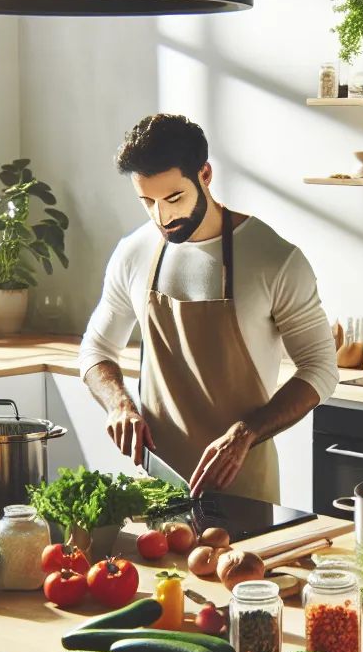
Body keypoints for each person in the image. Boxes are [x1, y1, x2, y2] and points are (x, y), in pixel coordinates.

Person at [79, 114, 337, 501]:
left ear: (205, 174)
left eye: (173, 198)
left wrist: (246, 433)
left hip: (243, 485)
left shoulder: (274, 259)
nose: (161, 217)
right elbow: (96, 348)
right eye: (146, 201)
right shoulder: (134, 252)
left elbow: (321, 367)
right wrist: (119, 405)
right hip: (155, 486)